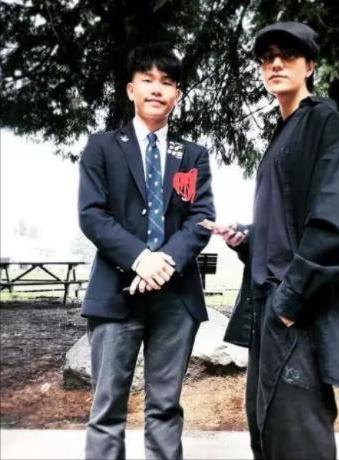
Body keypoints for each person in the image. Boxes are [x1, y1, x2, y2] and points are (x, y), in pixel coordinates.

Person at [215, 21, 339, 460]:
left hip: (297, 313)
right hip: (270, 310)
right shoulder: (285, 132)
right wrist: (246, 239)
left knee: (297, 440)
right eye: (267, 57)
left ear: (310, 66)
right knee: (266, 433)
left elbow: (337, 221)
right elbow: (285, 227)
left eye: (288, 55)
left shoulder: (324, 124)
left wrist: (290, 302)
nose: (275, 63)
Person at [78, 43, 215, 460]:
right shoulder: (102, 147)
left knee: (166, 408)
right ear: (131, 89)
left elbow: (201, 217)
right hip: (115, 294)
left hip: (176, 298)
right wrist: (142, 258)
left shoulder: (192, 155)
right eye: (147, 80)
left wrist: (163, 262)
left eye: (167, 82)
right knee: (106, 410)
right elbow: (92, 214)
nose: (157, 89)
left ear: (177, 95)